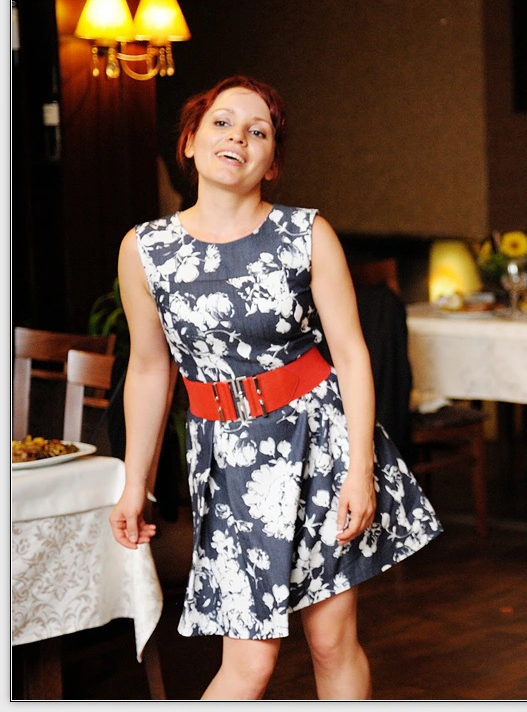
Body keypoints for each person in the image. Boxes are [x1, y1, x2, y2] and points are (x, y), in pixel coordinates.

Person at [108, 76, 442, 699]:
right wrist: (136, 484)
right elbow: (151, 369)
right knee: (250, 664)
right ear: (190, 142)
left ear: (273, 163)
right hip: (227, 464)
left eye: (256, 131)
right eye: (222, 123)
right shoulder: (145, 250)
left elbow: (352, 356)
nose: (237, 137)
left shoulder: (306, 234)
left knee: (331, 642)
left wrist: (360, 471)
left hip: (317, 443)